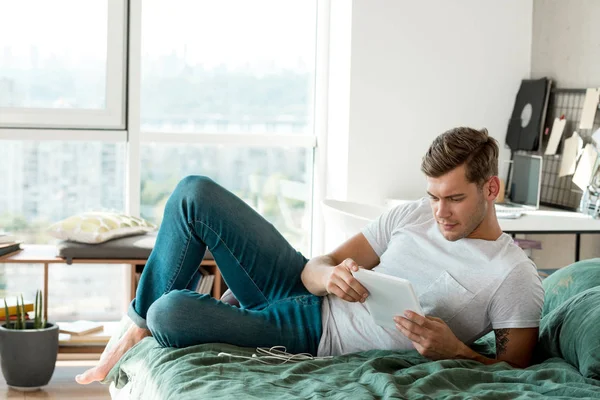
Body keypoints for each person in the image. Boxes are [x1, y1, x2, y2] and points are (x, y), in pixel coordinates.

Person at [76, 127, 543, 385]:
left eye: (454, 199)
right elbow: (315, 264)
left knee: (170, 311)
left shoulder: (511, 275)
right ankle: (131, 328)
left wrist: (455, 350)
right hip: (299, 289)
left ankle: (209, 313)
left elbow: (516, 370)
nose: (439, 212)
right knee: (193, 194)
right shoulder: (414, 214)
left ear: (491, 188)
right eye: (433, 196)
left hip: (313, 336)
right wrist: (330, 277)